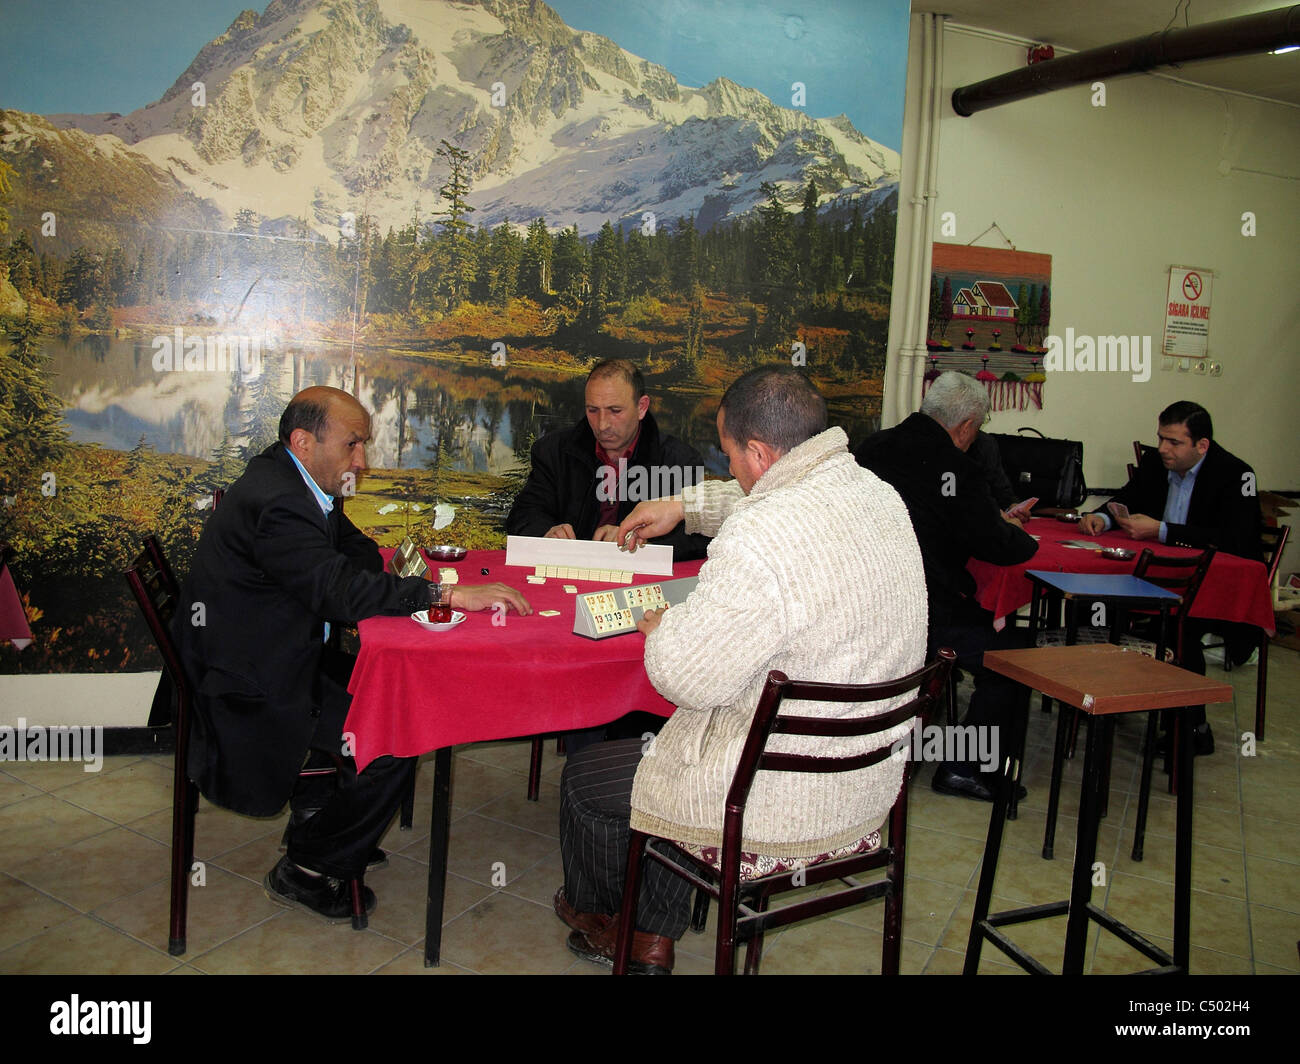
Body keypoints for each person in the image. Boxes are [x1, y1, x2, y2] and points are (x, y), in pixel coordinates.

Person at [553, 367, 928, 973]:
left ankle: (618, 925)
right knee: (691, 741)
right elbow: (773, 494)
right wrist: (682, 505)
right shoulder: (877, 495)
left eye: (730, 458)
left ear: (757, 453)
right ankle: (652, 929)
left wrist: (660, 626)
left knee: (593, 780)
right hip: (868, 789)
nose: (730, 473)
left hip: (772, 800)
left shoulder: (761, 531)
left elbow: (684, 677)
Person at [170, 386, 530, 922]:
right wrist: (444, 594)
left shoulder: (292, 478)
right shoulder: (282, 503)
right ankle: (309, 866)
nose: (362, 460)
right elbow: (336, 593)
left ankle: (325, 818)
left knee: (387, 691)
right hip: (250, 686)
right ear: (304, 441)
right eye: (353, 445)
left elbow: (348, 547)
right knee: (397, 730)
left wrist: (403, 572)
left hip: (274, 654)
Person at [854, 371, 1038, 802]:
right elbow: (999, 546)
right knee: (1015, 656)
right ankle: (964, 768)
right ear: (967, 425)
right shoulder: (959, 469)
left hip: (863, 605)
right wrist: (1017, 532)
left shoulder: (870, 447)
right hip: (923, 615)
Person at [1078, 400, 1263, 753]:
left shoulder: (1236, 475)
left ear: (1202, 445)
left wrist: (1163, 530)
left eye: (1174, 442)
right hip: (1154, 577)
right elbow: (1127, 499)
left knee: (1179, 626)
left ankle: (1192, 730)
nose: (1163, 448)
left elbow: (1234, 540)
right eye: (1161, 438)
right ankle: (1103, 697)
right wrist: (1103, 517)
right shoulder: (1156, 463)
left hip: (1209, 587)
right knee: (1091, 601)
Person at [505, 359, 710, 560]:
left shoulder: (680, 460)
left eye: (615, 411)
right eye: (592, 410)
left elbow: (697, 537)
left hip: (640, 580)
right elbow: (524, 514)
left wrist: (637, 539)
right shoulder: (553, 451)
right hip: (568, 575)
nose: (602, 425)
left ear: (641, 407)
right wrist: (547, 532)